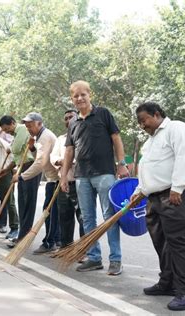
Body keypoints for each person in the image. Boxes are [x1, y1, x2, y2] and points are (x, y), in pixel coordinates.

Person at [131, 101, 185, 311]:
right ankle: (168, 282)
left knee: (177, 241)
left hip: (176, 193)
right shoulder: (151, 141)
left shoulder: (176, 128)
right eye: (140, 123)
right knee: (161, 241)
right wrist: (139, 191)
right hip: (154, 196)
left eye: (144, 120)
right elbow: (149, 169)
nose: (143, 126)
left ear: (157, 114)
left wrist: (177, 188)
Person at [60, 80, 129, 275]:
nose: (80, 98)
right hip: (82, 177)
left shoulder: (104, 114)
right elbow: (69, 152)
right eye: (76, 96)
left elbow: (116, 139)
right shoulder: (73, 123)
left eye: (83, 94)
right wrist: (64, 176)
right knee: (87, 218)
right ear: (72, 99)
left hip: (105, 174)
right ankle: (94, 257)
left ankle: (115, 259)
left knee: (110, 217)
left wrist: (121, 164)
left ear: (90, 95)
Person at [12, 112, 61, 254]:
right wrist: (32, 148)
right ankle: (55, 240)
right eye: (27, 126)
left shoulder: (45, 136)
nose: (28, 129)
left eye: (31, 126)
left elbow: (40, 163)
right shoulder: (38, 137)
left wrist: (21, 177)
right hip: (52, 178)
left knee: (49, 211)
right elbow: (38, 157)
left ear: (40, 123)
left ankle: (50, 242)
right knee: (53, 211)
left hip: (56, 178)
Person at [0, 115, 37, 248]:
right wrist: (7, 169)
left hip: (30, 167)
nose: (7, 132)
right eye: (4, 130)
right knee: (22, 202)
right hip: (21, 167)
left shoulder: (21, 130)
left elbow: (15, 149)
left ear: (13, 123)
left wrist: (11, 146)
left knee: (28, 203)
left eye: (7, 128)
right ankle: (22, 234)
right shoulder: (15, 134)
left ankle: (24, 236)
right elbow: (17, 157)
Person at [50, 110, 85, 248]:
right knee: (64, 217)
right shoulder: (60, 139)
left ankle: (84, 250)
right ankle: (66, 248)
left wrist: (67, 160)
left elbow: (80, 158)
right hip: (63, 183)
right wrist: (62, 161)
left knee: (83, 218)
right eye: (66, 118)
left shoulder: (83, 135)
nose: (68, 119)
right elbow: (53, 158)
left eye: (71, 117)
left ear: (78, 118)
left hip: (81, 183)